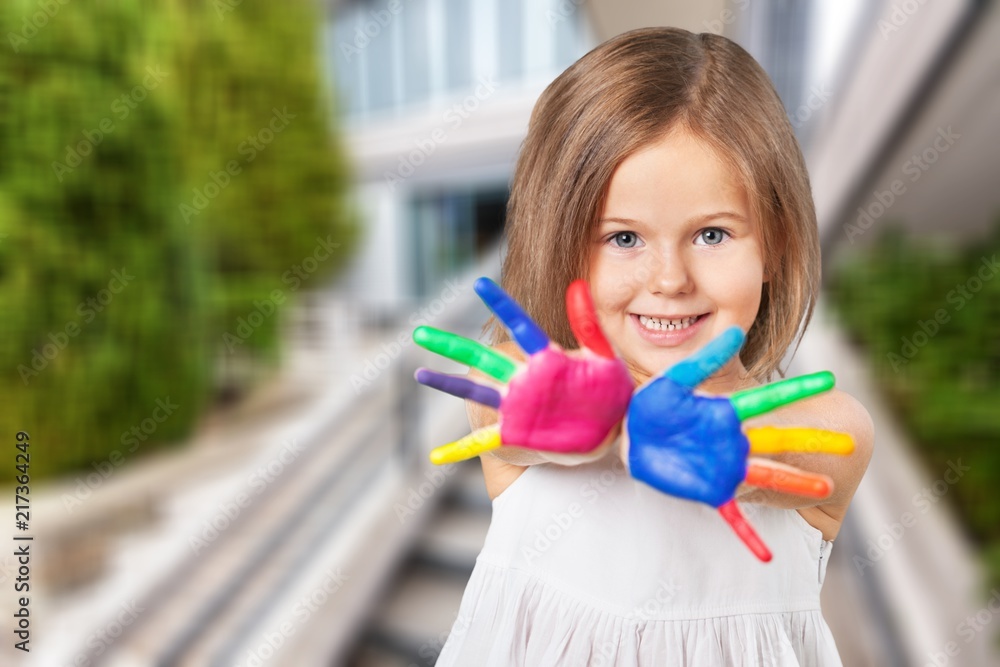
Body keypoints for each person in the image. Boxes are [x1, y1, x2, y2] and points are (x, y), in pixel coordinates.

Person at [430, 27, 874, 666]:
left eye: (713, 235)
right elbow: (505, 406)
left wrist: (719, 445)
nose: (669, 279)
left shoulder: (818, 429)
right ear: (562, 242)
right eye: (624, 239)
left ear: (775, 244)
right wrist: (597, 422)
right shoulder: (530, 383)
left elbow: (827, 445)